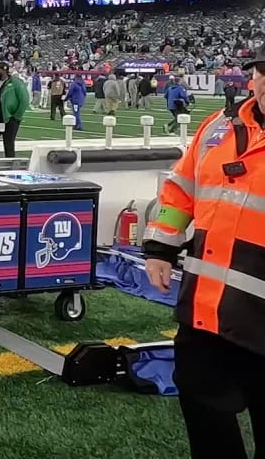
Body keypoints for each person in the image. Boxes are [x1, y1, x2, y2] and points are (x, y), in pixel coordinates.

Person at [143, 45, 264, 459]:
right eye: (264, 71)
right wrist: (160, 248)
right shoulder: (218, 129)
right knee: (205, 416)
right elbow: (181, 190)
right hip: (205, 311)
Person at [0, 61, 29, 159]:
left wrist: (16, 116)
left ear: (4, 70)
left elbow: (24, 100)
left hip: (9, 119)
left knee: (8, 146)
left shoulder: (15, 83)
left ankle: (11, 169)